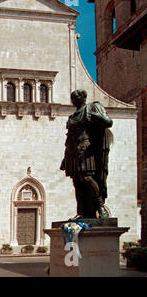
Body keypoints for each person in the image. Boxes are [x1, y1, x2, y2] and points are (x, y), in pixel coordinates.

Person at [60, 89, 113, 219]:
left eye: (76, 96)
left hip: (87, 149)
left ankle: (100, 206)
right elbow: (69, 138)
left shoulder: (92, 108)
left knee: (87, 178)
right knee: (77, 182)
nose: (74, 99)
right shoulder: (72, 117)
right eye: (72, 97)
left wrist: (99, 117)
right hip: (73, 151)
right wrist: (64, 157)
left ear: (83, 97)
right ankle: (81, 212)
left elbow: (108, 122)